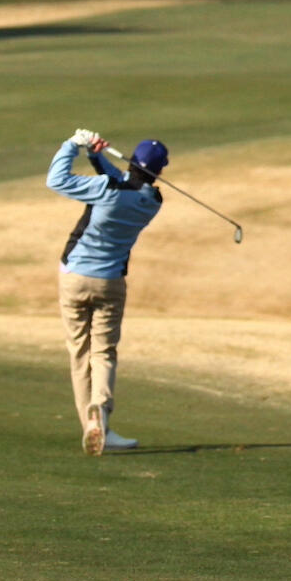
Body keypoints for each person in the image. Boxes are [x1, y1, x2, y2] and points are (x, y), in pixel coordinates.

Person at [48, 127, 167, 455]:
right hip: (110, 283)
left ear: (132, 161)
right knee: (103, 352)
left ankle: (91, 425)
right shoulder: (153, 201)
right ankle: (100, 411)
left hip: (74, 277)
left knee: (79, 352)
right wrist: (95, 156)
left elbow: (56, 180)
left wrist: (72, 144)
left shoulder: (105, 188)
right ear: (159, 171)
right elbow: (125, 183)